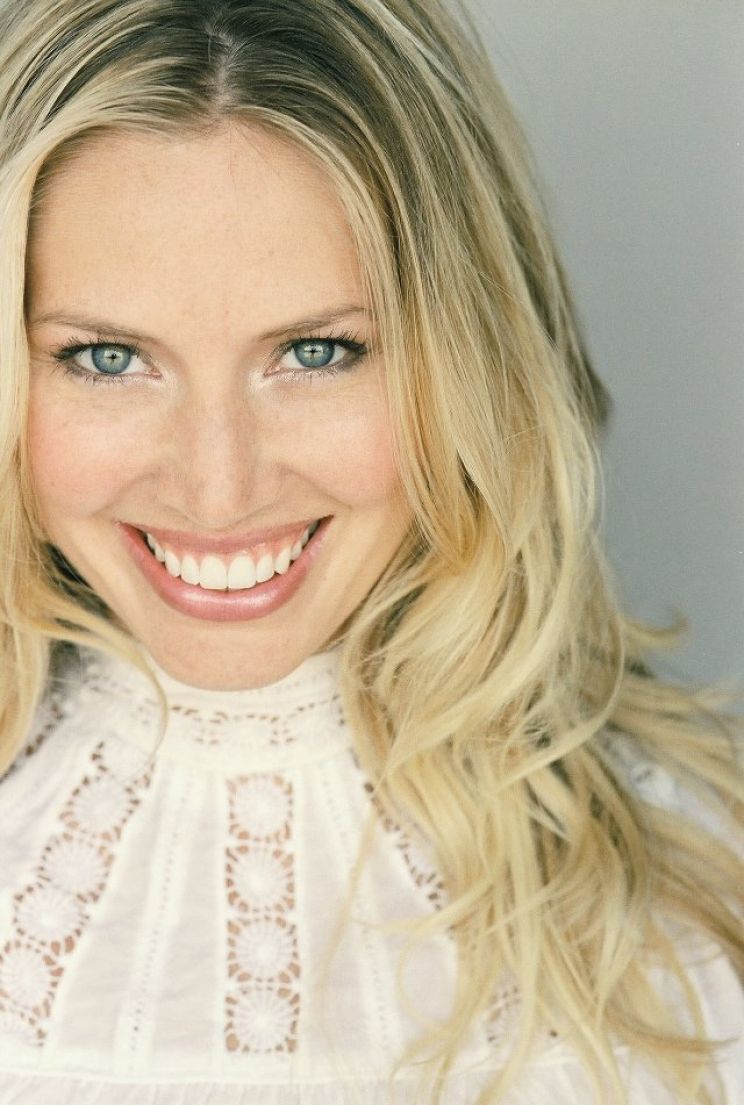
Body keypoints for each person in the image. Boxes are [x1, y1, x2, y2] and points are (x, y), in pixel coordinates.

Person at [0, 0, 741, 1102]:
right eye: (107, 357)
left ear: (467, 364)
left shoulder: (706, 893)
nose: (218, 488)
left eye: (316, 351)